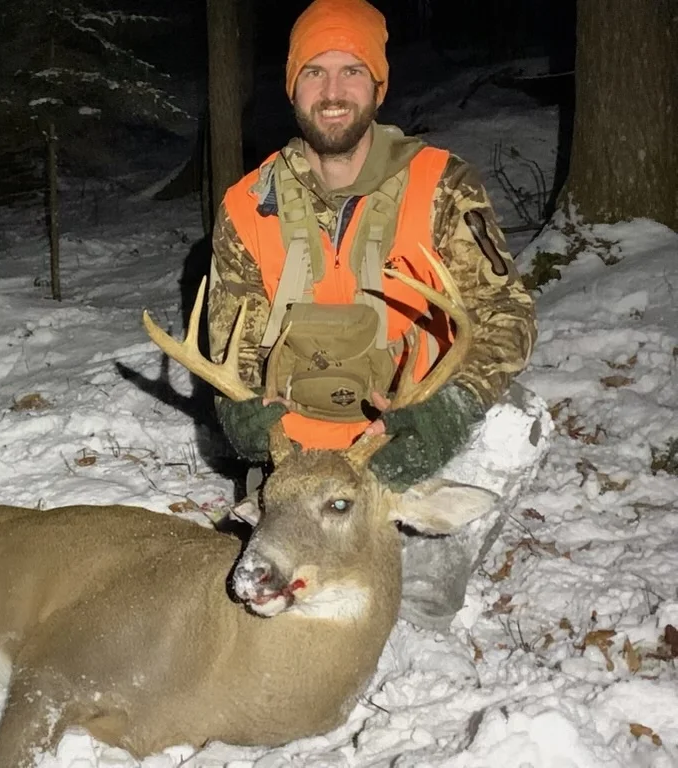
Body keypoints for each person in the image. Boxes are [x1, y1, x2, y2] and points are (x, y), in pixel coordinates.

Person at [206, 0, 537, 630]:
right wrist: (243, 413)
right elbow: (230, 342)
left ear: (378, 86)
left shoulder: (442, 185)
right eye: (314, 73)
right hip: (294, 451)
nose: (333, 92)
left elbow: (506, 314)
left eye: (351, 71)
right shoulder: (247, 205)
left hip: (404, 437)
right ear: (292, 89)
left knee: (516, 417)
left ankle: (423, 590)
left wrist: (447, 412)